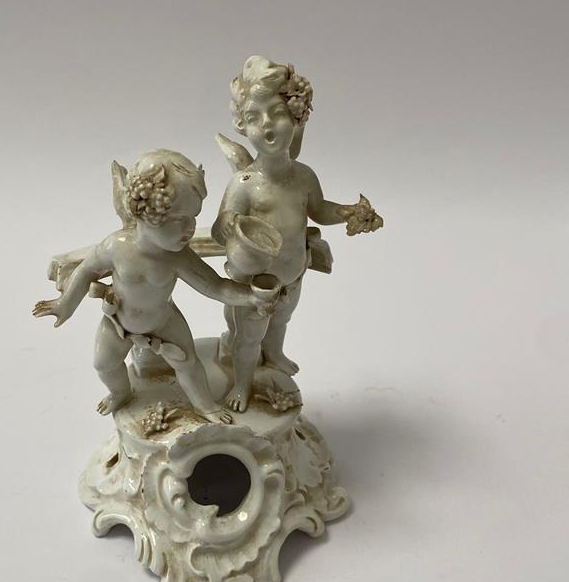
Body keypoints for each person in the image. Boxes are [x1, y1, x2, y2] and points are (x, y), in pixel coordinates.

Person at [33, 150, 272, 423]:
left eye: (193, 218)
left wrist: (251, 297)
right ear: (147, 214)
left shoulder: (178, 257)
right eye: (180, 220)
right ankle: (121, 393)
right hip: (118, 322)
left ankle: (205, 406)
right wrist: (65, 304)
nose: (190, 228)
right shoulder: (117, 247)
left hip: (163, 322)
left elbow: (215, 287)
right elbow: (86, 270)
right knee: (104, 364)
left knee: (188, 364)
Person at [213, 56, 381, 411]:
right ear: (243, 126)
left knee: (281, 321)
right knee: (248, 338)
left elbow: (318, 210)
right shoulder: (245, 183)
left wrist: (347, 212)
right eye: (254, 118)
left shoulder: (303, 177)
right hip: (255, 285)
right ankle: (241, 383)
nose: (267, 126)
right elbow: (219, 228)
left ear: (297, 118)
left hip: (293, 274)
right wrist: (228, 223)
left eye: (277, 113)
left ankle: (274, 354)